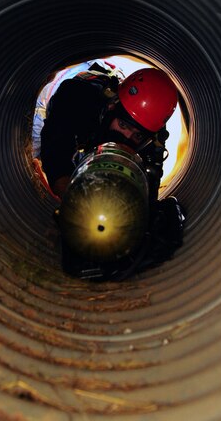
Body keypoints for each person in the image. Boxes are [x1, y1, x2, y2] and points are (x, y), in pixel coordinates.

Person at [39, 62, 185, 280]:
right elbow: (55, 160)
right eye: (123, 125)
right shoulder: (76, 98)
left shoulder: (149, 143)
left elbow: (143, 199)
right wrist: (79, 207)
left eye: (136, 136)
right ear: (112, 107)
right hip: (70, 105)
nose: (125, 138)